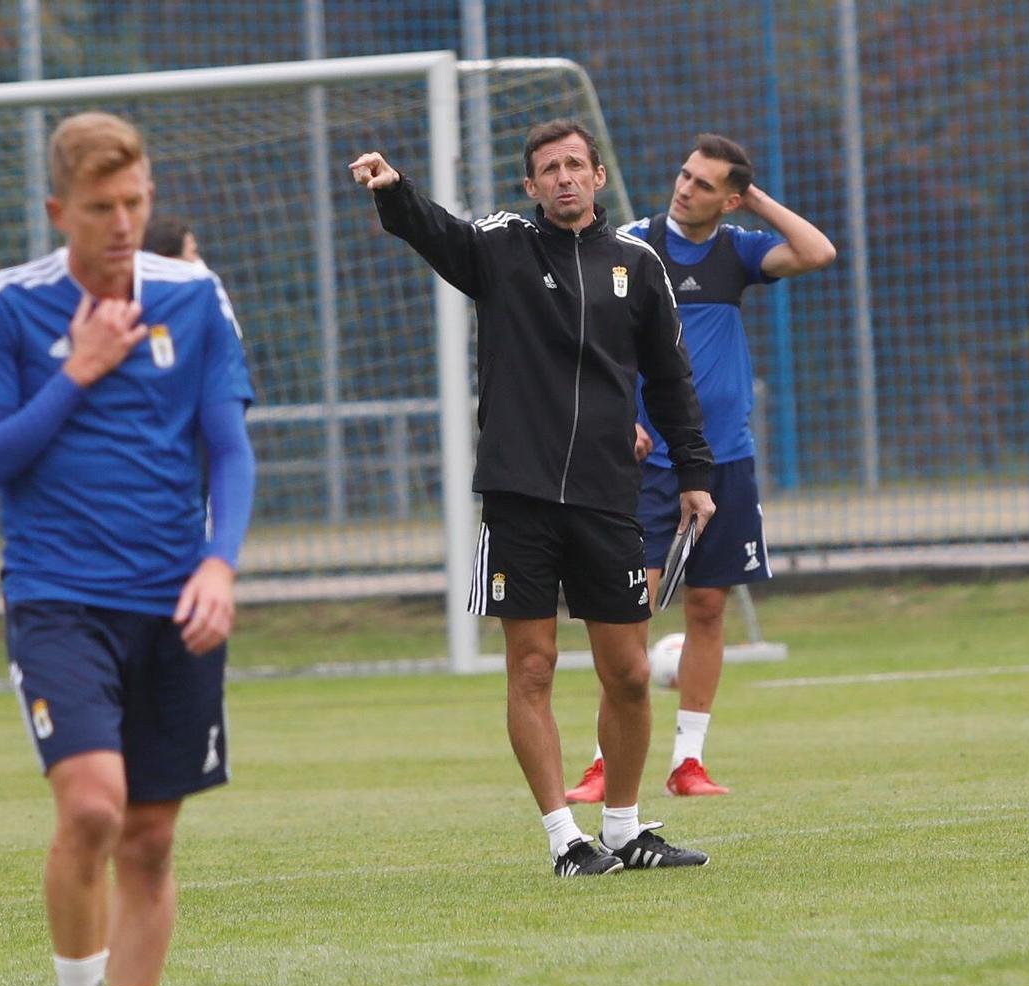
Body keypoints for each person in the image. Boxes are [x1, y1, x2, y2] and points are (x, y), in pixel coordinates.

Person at [0, 112, 257, 986]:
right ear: (57, 211)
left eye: (136, 203)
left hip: (174, 601)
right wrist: (77, 369)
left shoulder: (195, 296)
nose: (125, 224)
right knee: (91, 808)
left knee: (153, 837)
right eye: (101, 209)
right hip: (57, 600)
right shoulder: (5, 305)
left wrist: (220, 560)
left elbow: (229, 447)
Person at [350, 120, 716, 877]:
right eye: (548, 169)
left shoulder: (637, 266)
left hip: (608, 497)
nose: (564, 178)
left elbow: (672, 382)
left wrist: (695, 474)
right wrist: (395, 191)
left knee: (630, 673)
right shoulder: (502, 248)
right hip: (519, 497)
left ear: (598, 176)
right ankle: (564, 840)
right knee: (534, 668)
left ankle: (621, 829)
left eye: (575, 165)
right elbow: (440, 233)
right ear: (530, 185)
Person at [563, 134, 836, 803]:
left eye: (705, 184)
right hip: (649, 461)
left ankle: (688, 762)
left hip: (726, 461)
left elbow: (817, 252)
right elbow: (585, 332)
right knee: (632, 610)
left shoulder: (735, 251)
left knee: (709, 607)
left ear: (731, 198)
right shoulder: (632, 245)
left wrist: (757, 200)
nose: (685, 188)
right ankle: (604, 761)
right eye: (684, 175)